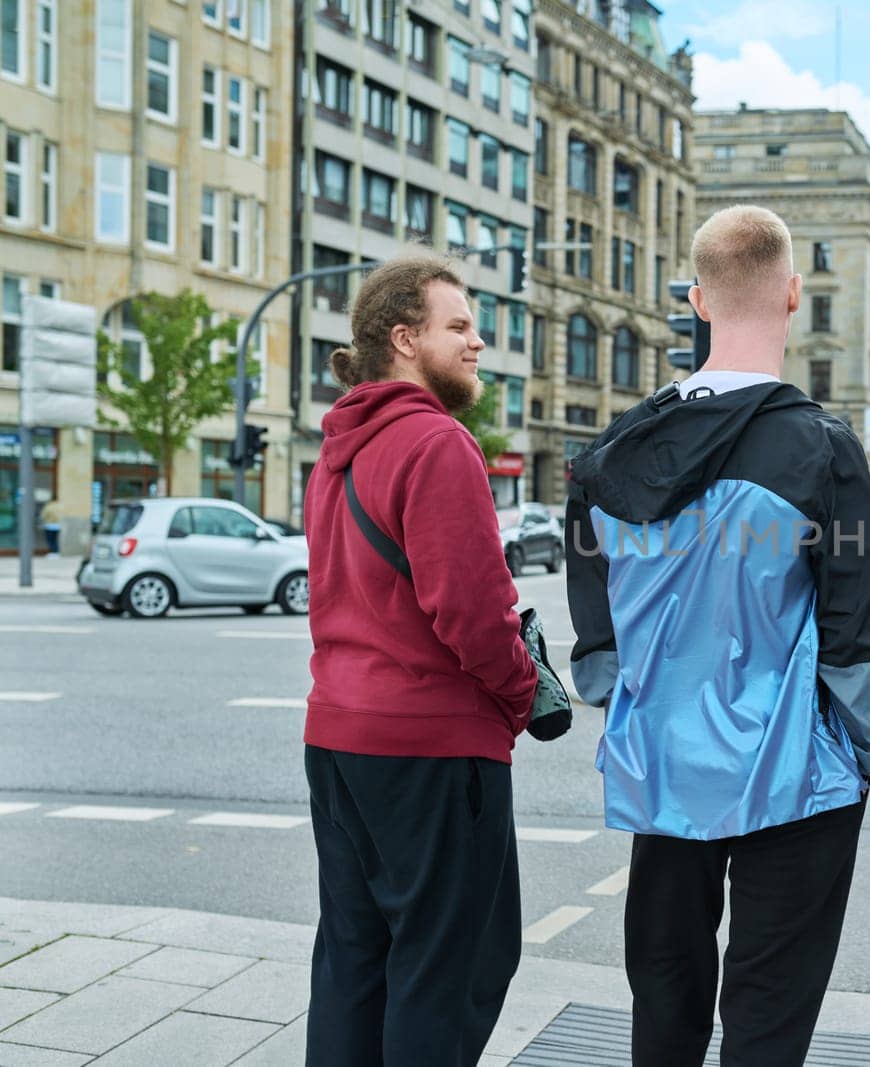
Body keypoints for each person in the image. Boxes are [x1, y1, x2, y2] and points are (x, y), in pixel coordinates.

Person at [566, 205, 870, 1067]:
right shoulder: (822, 450)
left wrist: (635, 703)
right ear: (792, 293)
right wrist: (867, 752)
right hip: (793, 772)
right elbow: (859, 635)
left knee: (665, 987)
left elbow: (597, 637)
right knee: (769, 1009)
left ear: (696, 298)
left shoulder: (612, 454)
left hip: (666, 764)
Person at [301, 257, 542, 1067]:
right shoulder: (437, 442)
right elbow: (472, 613)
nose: (478, 341)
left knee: (353, 961)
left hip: (338, 741)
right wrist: (521, 691)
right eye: (458, 326)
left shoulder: (337, 449)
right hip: (431, 750)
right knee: (452, 967)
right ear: (405, 340)